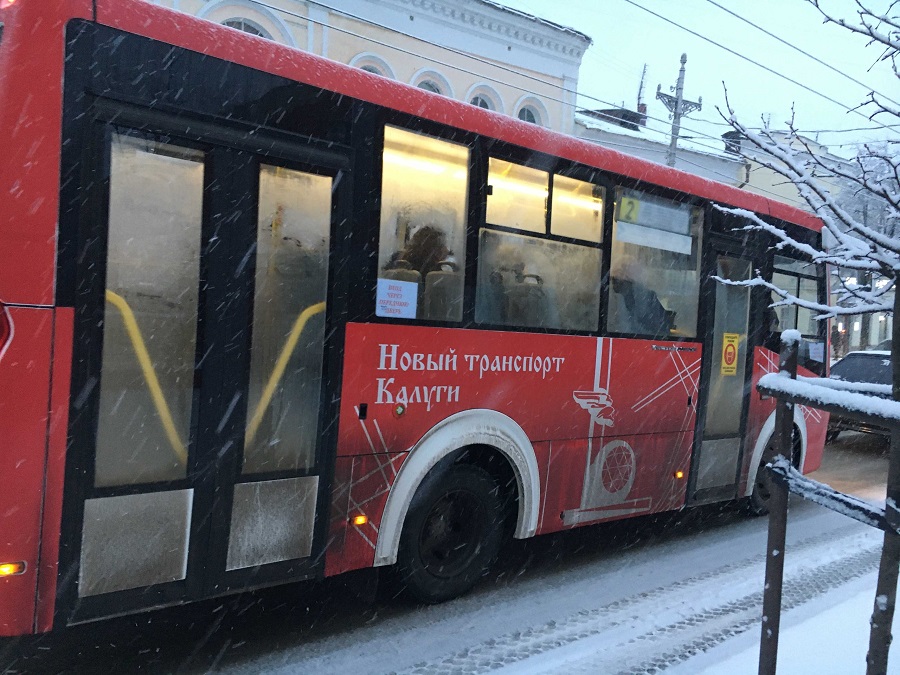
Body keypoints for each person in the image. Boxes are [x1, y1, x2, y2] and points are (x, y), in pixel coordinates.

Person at [610, 257, 671, 337]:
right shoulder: (608, 299)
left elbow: (662, 328)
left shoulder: (648, 297)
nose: (614, 284)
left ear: (631, 281)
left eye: (619, 281)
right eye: (613, 280)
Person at [386, 225, 451, 277]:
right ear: (435, 250)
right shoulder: (432, 274)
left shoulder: (397, 263)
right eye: (444, 245)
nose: (447, 250)